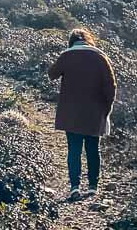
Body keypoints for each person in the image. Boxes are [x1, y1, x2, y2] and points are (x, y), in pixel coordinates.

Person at [48, 28, 116, 201]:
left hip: (71, 112)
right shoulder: (101, 57)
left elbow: (52, 74)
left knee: (74, 149)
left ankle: (74, 187)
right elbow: (111, 87)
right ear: (88, 40)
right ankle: (93, 187)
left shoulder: (67, 55)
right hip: (95, 112)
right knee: (93, 149)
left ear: (72, 41)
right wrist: (106, 109)